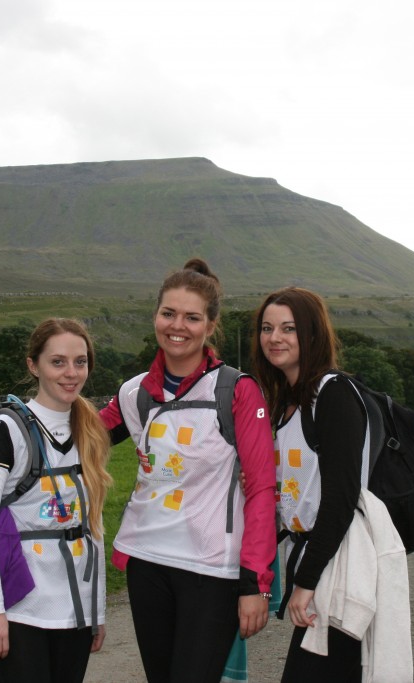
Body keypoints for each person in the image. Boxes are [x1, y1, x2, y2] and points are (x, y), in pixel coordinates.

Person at [99, 258, 277, 683]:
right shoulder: (135, 392)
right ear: (156, 316)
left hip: (211, 570)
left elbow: (262, 489)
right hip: (147, 562)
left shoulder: (237, 390)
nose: (178, 326)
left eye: (192, 317)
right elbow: (78, 435)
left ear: (210, 326)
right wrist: (6, 419)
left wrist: (255, 582)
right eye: (168, 313)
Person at [251, 287, 412, 683]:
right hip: (318, 557)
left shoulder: (333, 394)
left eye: (289, 328)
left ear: (312, 334)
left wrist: (306, 581)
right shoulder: (286, 401)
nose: (275, 338)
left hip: (339, 563)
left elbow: (340, 499)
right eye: (267, 328)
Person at [0, 318, 113, 683]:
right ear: (32, 365)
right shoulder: (4, 430)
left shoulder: (89, 431)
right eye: (58, 362)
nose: (71, 373)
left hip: (75, 611)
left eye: (80, 362)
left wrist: (96, 610)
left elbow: (91, 528)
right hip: (19, 610)